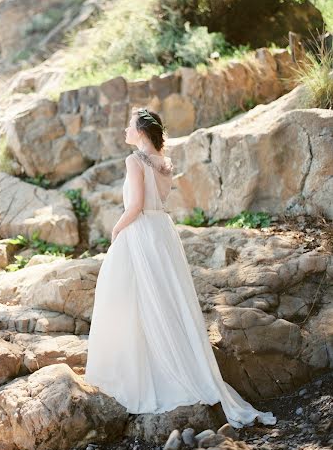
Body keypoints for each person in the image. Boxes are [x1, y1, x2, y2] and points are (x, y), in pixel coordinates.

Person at [83, 106, 277, 428]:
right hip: (162, 232)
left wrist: (116, 230)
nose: (124, 132)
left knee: (128, 298)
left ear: (141, 132)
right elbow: (154, 201)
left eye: (128, 127)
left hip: (140, 232)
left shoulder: (134, 161)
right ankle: (168, 361)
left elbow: (134, 207)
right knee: (163, 300)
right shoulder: (165, 163)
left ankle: (138, 371)